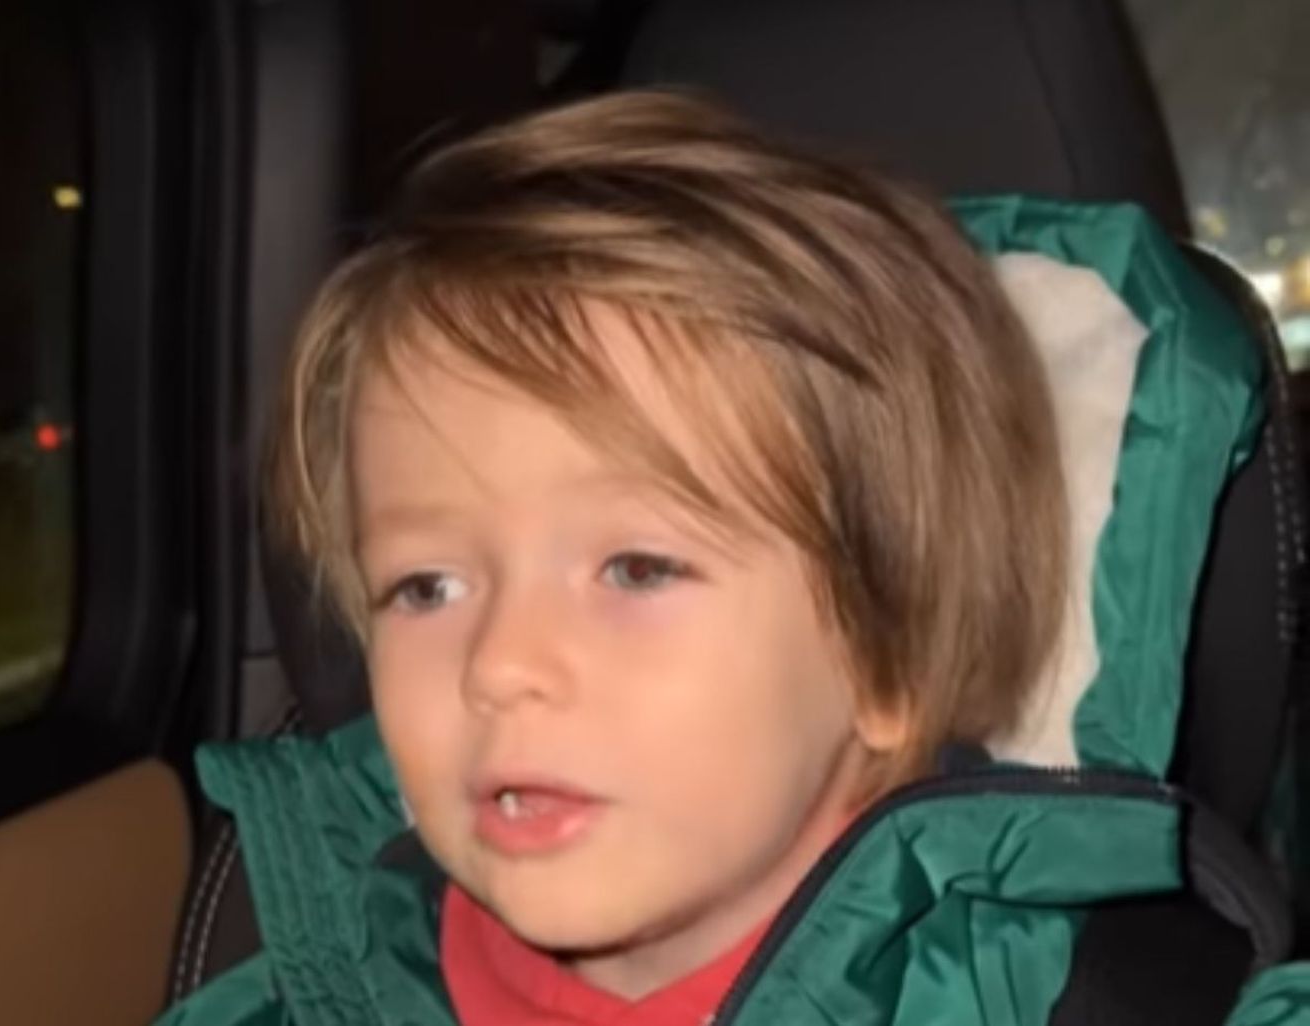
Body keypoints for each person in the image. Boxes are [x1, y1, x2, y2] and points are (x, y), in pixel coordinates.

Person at [155, 91, 1300, 1025]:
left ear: (888, 655)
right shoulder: (302, 982)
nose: (498, 665)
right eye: (426, 586)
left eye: (637, 568)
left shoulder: (1083, 1001)